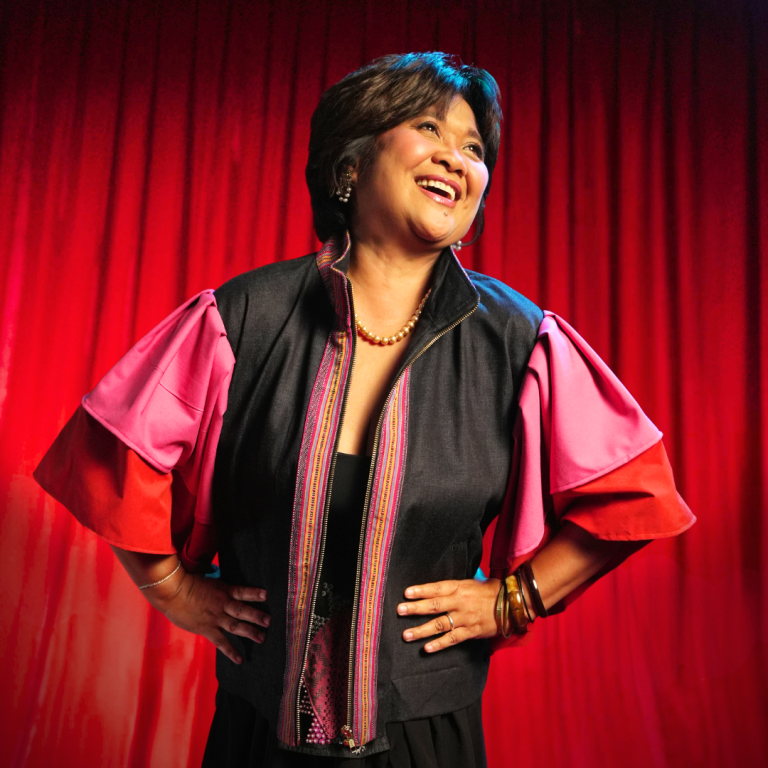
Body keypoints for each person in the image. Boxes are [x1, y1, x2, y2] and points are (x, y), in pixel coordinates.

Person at [34, 52, 695, 767]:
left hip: (427, 739)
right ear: (350, 164)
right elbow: (110, 456)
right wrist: (171, 590)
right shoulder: (242, 318)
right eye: (429, 129)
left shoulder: (519, 340)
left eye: (474, 149)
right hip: (257, 732)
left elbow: (633, 495)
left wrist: (515, 599)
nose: (457, 158)